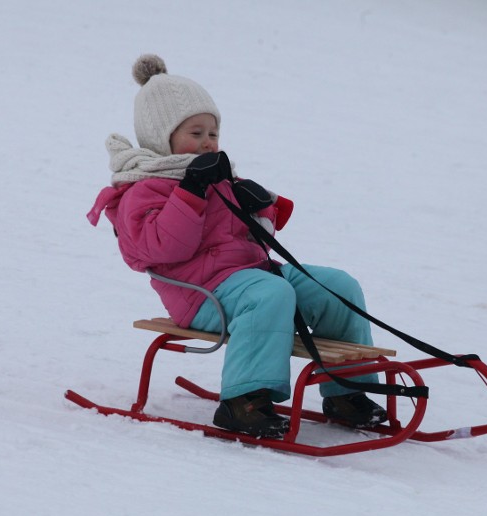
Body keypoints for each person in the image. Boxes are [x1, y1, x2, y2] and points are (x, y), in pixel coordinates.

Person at [87, 54, 387, 438]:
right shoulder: (143, 188)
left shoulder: (218, 176)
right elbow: (159, 248)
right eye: (195, 133)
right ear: (163, 137)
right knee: (270, 293)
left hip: (251, 277)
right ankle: (242, 402)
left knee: (338, 285)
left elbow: (256, 240)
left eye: (213, 133)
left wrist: (259, 204)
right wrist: (191, 192)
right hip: (200, 296)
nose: (208, 142)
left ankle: (349, 392)